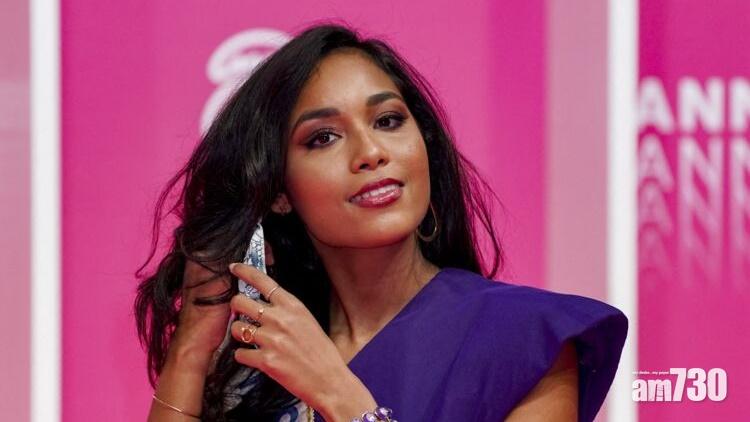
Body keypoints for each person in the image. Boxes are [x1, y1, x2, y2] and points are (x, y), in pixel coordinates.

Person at [134, 22, 628, 422]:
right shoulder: (261, 364)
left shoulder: (523, 341)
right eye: (324, 138)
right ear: (280, 192)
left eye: (388, 121)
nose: (371, 152)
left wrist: (339, 395)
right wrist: (192, 347)